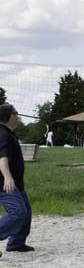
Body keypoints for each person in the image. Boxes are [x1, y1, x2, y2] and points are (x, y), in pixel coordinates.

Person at [0, 104, 34, 255]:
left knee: (26, 213)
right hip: (6, 184)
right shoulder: (3, 134)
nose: (18, 115)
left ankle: (16, 243)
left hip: (16, 184)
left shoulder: (8, 133)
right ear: (9, 116)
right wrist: (7, 177)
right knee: (18, 212)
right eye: (16, 112)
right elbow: (2, 159)